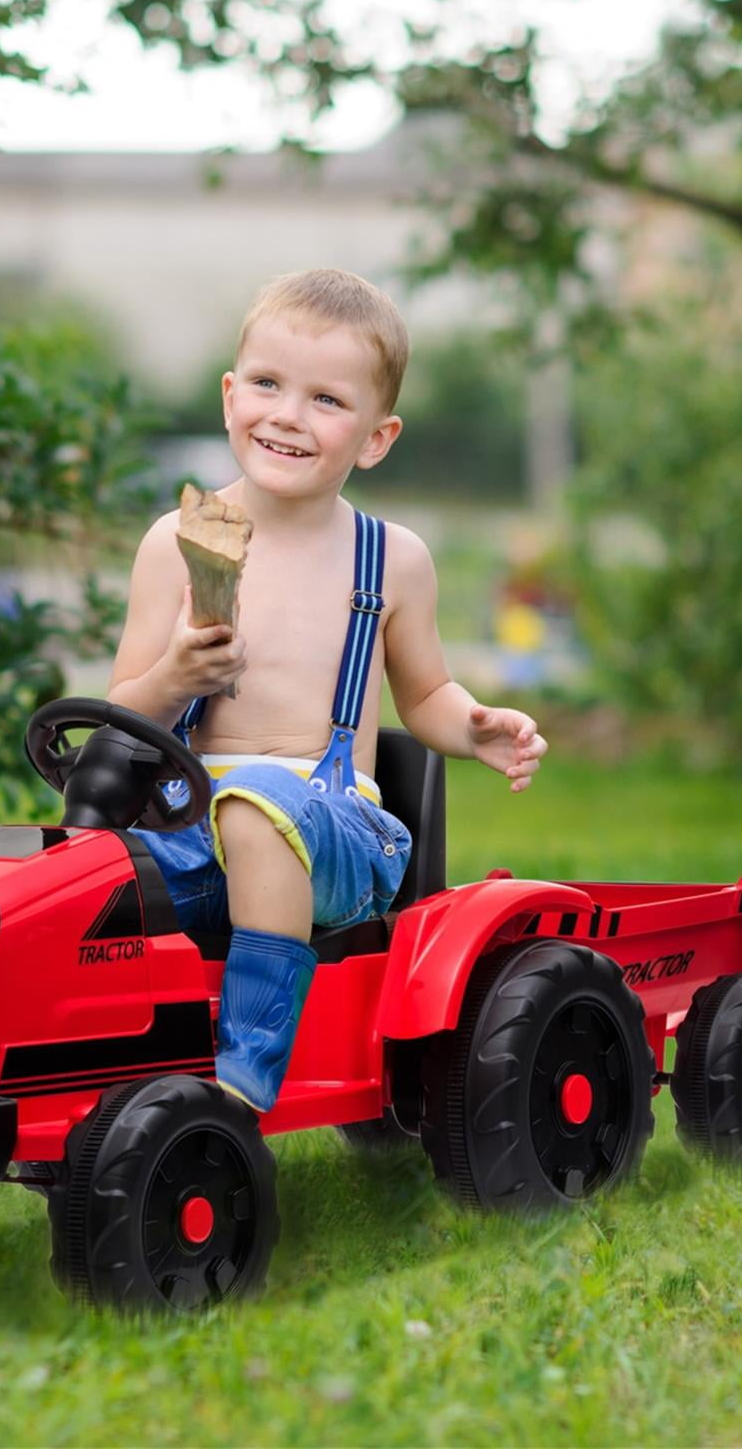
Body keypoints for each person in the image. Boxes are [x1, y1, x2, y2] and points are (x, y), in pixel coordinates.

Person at [107, 269, 548, 1111]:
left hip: (337, 828)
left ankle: (246, 1070)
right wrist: (173, 677)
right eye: (268, 385)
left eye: (326, 400)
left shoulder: (391, 560)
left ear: (376, 437)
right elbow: (125, 716)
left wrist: (474, 726)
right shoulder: (180, 541)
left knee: (259, 807)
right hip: (189, 820)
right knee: (79, 869)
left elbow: (425, 694)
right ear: (232, 395)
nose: (287, 415)